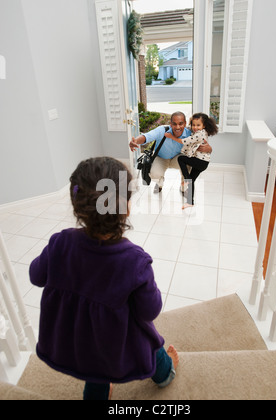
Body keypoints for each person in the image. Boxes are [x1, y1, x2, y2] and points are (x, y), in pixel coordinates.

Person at [29, 157, 179, 401]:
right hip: (116, 338)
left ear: (77, 206)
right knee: (150, 339)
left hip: (79, 337)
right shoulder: (134, 260)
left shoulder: (60, 242)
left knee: (95, 368)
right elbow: (149, 310)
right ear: (126, 207)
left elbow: (36, 275)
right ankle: (165, 374)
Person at [129, 111, 211, 194]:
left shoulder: (190, 133)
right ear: (170, 124)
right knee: (155, 174)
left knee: (188, 164)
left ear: (185, 123)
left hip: (178, 158)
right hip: (161, 158)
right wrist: (136, 141)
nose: (177, 127)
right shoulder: (162, 130)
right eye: (174, 124)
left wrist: (209, 149)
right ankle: (160, 183)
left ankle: (183, 188)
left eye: (181, 123)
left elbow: (202, 142)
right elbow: (146, 136)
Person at [165, 112, 218, 209]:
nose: (195, 127)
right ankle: (190, 202)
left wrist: (171, 136)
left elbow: (184, 141)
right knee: (191, 180)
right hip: (203, 162)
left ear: (204, 125)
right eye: (193, 125)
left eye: (198, 125)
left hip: (200, 161)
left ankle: (186, 179)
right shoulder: (199, 132)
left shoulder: (200, 134)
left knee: (181, 158)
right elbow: (190, 130)